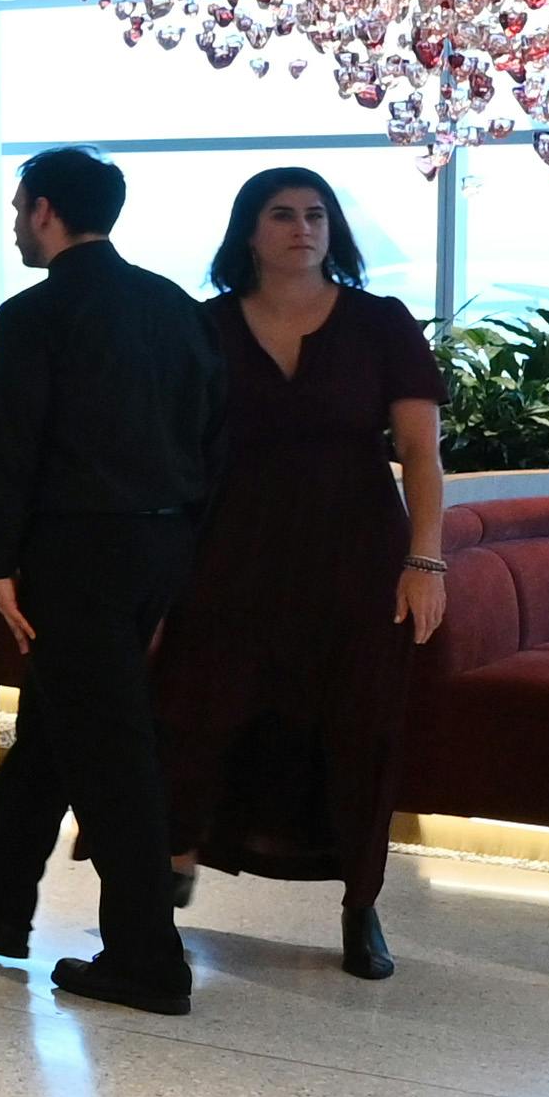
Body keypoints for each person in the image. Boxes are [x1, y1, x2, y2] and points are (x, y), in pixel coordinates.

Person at [0, 148, 220, 1012]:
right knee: (60, 724)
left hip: (74, 553)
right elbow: (214, 439)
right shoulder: (177, 310)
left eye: (20, 206)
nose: (16, 221)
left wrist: (3, 562)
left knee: (110, 753)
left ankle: (147, 957)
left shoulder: (35, 315)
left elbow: (11, 448)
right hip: (159, 547)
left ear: (47, 211)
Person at [152, 167, 448, 982]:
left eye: (316, 214)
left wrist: (426, 559)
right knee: (198, 708)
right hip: (231, 550)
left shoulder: (379, 324)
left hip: (355, 557)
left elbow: (420, 455)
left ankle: (360, 903)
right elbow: (171, 454)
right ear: (249, 230)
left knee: (358, 728)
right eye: (281, 214)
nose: (301, 228)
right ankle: (172, 863)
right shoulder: (204, 326)